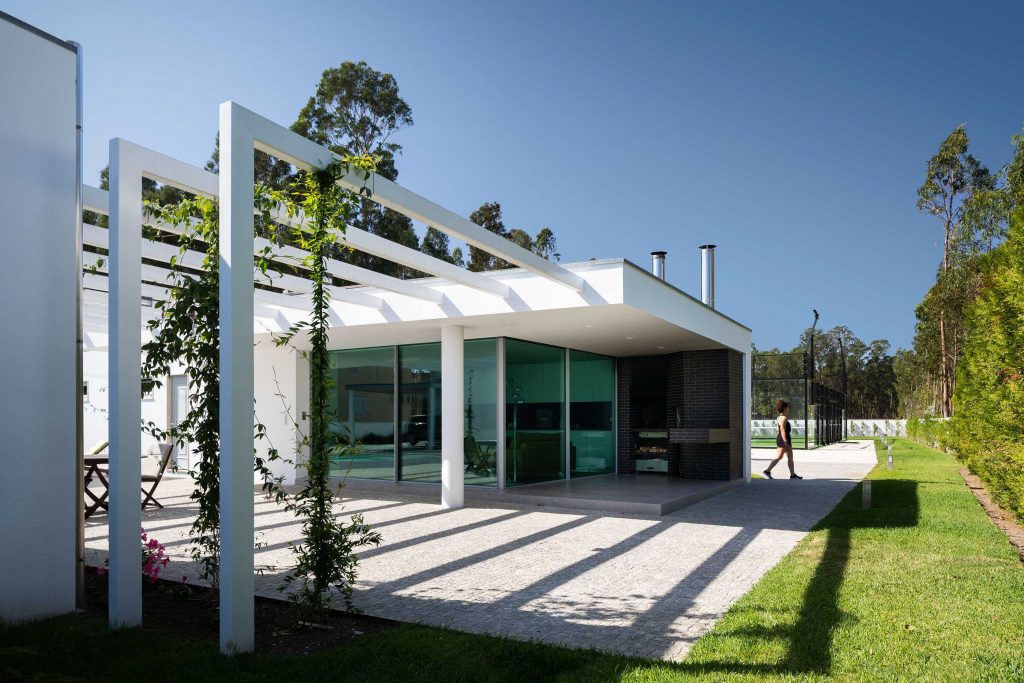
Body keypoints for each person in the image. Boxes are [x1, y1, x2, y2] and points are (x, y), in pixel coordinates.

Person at [763, 399, 802, 480]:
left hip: (784, 438)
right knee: (779, 457)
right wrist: (785, 442)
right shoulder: (783, 418)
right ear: (784, 408)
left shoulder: (780, 417)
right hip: (783, 439)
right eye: (788, 407)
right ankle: (767, 471)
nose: (789, 409)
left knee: (789, 457)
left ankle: (792, 475)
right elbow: (782, 430)